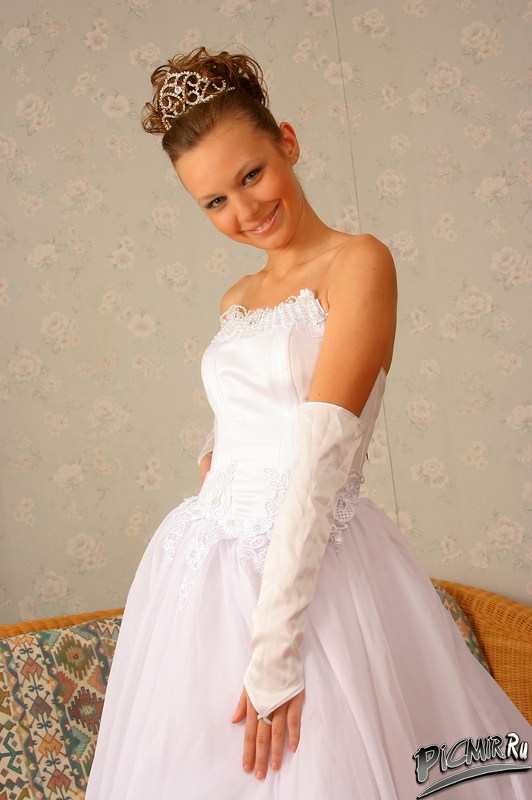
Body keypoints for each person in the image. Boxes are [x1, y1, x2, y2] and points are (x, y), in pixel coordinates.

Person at [86, 47, 531, 799]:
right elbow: (239, 419)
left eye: (251, 175)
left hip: (313, 567)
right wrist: (217, 471)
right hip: (206, 571)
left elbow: (322, 458)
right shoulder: (236, 297)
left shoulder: (359, 262)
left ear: (287, 142)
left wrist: (275, 650)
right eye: (214, 201)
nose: (243, 211)